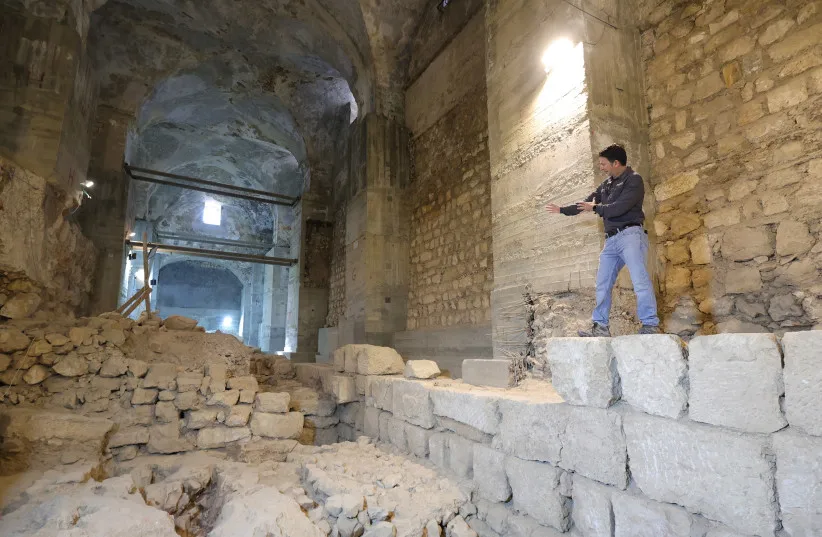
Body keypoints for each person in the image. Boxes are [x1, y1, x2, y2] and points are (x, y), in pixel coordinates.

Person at [546, 144, 661, 337]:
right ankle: (600, 327)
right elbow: (585, 204)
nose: (601, 167)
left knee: (639, 280)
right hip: (611, 240)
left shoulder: (634, 180)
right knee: (602, 283)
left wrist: (595, 208)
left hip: (630, 235)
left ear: (616, 163)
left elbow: (619, 208)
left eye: (603, 164)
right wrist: (562, 210)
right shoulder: (606, 184)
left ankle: (650, 324)